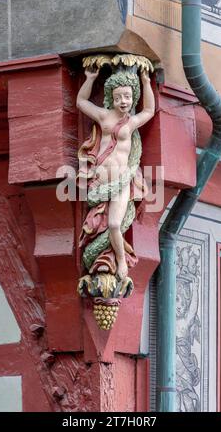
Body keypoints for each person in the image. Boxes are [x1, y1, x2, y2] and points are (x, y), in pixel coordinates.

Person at [77, 67, 155, 280]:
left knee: (113, 224)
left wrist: (146, 82)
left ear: (133, 97)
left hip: (121, 182)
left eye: (128, 97)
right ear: (111, 97)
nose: (123, 101)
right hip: (100, 182)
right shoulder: (104, 117)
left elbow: (148, 110)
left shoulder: (130, 123)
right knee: (98, 224)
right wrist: (90, 78)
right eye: (118, 97)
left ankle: (120, 260)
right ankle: (98, 257)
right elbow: (81, 102)